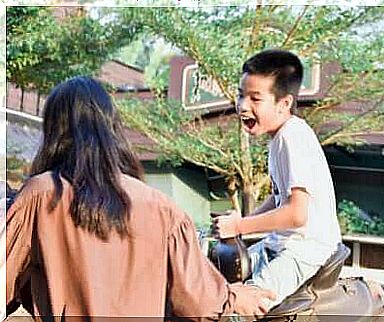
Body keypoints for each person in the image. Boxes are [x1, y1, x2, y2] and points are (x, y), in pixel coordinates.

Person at [4, 76, 275, 321]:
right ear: (112, 129)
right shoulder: (162, 208)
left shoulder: (40, 197)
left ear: (53, 132)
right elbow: (199, 302)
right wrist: (235, 297)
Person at [212, 49, 342, 310]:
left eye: (255, 98)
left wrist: (239, 227)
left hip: (304, 251)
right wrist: (243, 226)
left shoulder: (292, 138)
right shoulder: (281, 137)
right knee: (214, 279)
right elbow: (279, 197)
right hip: (282, 244)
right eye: (241, 95)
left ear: (284, 104)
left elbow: (296, 214)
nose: (242, 105)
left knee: (239, 307)